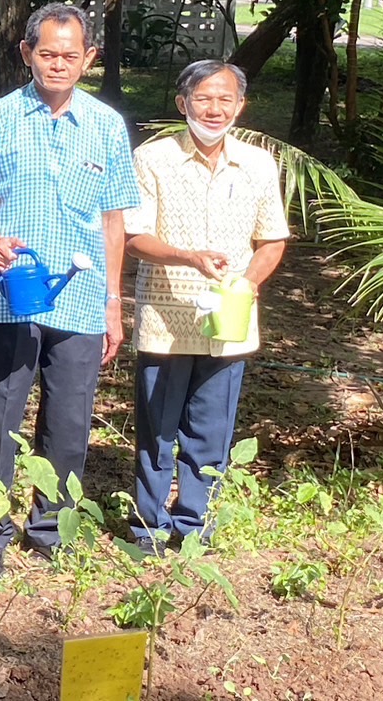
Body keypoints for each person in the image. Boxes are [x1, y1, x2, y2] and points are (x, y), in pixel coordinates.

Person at [0, 4, 139, 578]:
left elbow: (114, 220)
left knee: (69, 416)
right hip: (12, 292)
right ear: (26, 53)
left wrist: (113, 303)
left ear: (89, 58)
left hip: (82, 297)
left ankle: (52, 525)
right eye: (47, 53)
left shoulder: (106, 125)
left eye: (70, 55)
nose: (58, 64)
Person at [124, 61, 288, 547]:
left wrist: (248, 284)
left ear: (240, 106)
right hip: (165, 320)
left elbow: (272, 240)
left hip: (229, 322)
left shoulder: (259, 163)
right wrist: (188, 257)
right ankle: (148, 527)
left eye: (225, 99)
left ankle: (194, 526)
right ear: (183, 103)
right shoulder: (152, 158)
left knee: (211, 432)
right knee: (157, 431)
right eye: (203, 98)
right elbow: (134, 237)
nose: (214, 109)